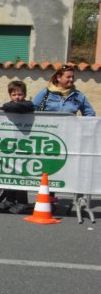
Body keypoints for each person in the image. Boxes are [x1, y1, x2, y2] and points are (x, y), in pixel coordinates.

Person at [32, 65, 96, 203]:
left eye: (73, 77)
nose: (71, 80)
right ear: (58, 77)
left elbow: (90, 114)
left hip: (69, 138)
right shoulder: (46, 93)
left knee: (68, 166)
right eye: (68, 77)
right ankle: (47, 195)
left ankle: (75, 196)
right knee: (48, 167)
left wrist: (83, 127)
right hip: (48, 138)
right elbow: (32, 109)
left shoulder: (78, 96)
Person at [0, 80, 34, 214]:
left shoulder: (28, 105)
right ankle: (9, 199)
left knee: (21, 174)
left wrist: (9, 107)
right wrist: (7, 107)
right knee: (10, 172)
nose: (17, 97)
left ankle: (22, 202)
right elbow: (6, 107)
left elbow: (21, 107)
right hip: (10, 143)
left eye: (20, 94)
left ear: (24, 94)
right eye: (14, 95)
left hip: (24, 143)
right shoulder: (8, 104)